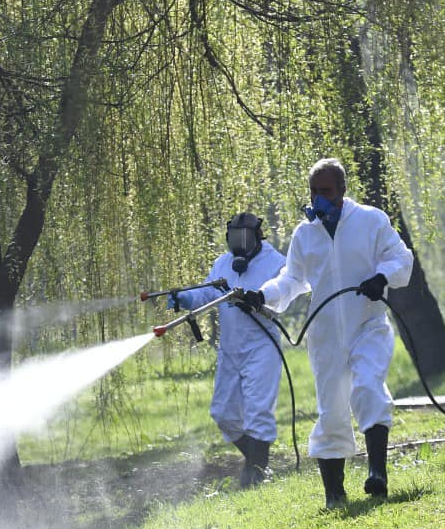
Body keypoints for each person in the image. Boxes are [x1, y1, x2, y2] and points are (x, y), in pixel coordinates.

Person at [236, 158, 414, 508]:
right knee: (330, 409)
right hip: (326, 334)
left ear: (343, 191)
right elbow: (292, 279)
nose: (319, 199)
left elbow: (400, 258)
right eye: (314, 192)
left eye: (326, 192)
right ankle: (335, 494)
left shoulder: (370, 220)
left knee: (368, 386)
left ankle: (377, 472)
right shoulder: (306, 234)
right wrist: (263, 295)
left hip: (368, 324)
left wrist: (381, 278)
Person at [172, 212, 287, 487]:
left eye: (243, 238)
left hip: (262, 347)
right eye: (233, 238)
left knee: (258, 411)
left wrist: (259, 302)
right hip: (230, 349)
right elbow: (209, 294)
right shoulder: (223, 263)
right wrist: (187, 298)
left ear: (258, 237)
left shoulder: (276, 263)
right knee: (224, 413)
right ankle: (255, 463)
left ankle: (256, 474)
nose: (238, 244)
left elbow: (284, 298)